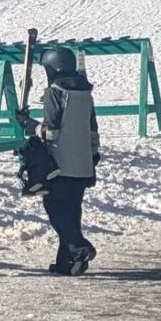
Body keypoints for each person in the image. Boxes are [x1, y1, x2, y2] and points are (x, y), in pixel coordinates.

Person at [33, 45, 100, 275]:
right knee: (72, 211)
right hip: (83, 163)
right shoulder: (86, 93)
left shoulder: (55, 92)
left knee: (55, 209)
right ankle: (67, 261)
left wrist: (30, 125)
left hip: (60, 163)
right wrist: (92, 157)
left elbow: (51, 132)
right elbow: (93, 130)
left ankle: (80, 247)